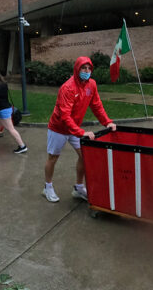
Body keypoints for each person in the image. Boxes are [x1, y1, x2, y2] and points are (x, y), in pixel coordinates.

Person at [43, 56, 116, 203]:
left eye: (89, 68)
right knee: (53, 158)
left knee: (84, 156)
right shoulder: (67, 88)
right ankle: (47, 187)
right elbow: (65, 116)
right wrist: (81, 132)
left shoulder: (91, 85)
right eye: (84, 68)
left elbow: (96, 105)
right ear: (77, 69)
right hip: (58, 128)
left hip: (75, 128)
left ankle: (78, 187)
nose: (87, 71)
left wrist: (107, 122)